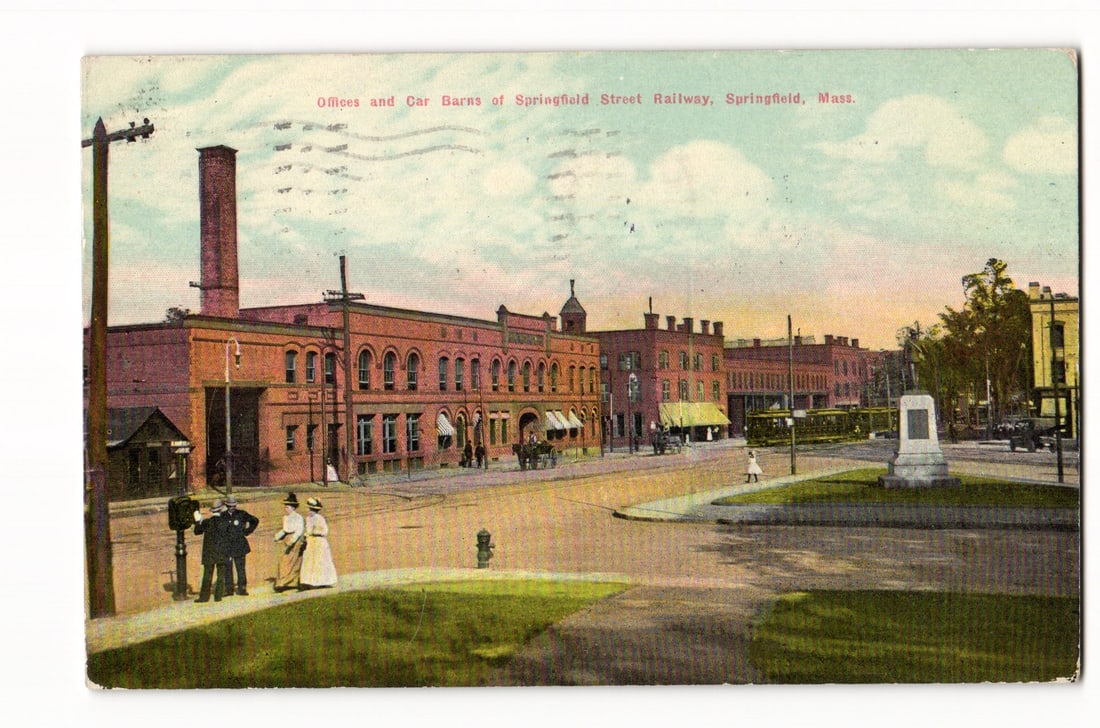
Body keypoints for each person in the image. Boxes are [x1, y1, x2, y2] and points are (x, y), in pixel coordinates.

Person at [193, 499, 231, 603]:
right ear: (221, 510)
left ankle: (204, 597)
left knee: (207, 575)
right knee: (220, 575)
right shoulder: (225, 523)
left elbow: (197, 532)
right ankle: (218, 596)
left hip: (209, 552)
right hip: (222, 551)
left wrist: (197, 521)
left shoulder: (206, 522)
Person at [223, 496, 259, 596]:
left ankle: (242, 588)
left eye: (234, 506)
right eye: (230, 506)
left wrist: (247, 531)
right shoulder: (223, 516)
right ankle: (229, 589)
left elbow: (255, 520)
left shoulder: (241, 514)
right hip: (227, 546)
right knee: (228, 568)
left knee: (240, 568)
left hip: (240, 545)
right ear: (226, 506)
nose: (232, 508)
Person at [299, 497, 338, 590]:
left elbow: (325, 531)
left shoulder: (320, 518)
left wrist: (315, 531)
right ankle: (311, 582)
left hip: (319, 542)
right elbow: (307, 530)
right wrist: (305, 536)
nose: (310, 511)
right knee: (310, 561)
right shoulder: (308, 518)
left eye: (312, 509)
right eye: (309, 509)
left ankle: (325, 581)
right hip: (311, 542)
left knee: (321, 560)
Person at [273, 492, 306, 592]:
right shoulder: (285, 518)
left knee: (293, 561)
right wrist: (277, 536)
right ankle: (283, 582)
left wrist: (292, 541)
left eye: (287, 507)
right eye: (285, 507)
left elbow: (299, 530)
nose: (286, 509)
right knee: (284, 561)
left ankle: (289, 582)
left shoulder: (298, 517)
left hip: (295, 541)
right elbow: (285, 530)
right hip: (287, 540)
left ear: (292, 507)